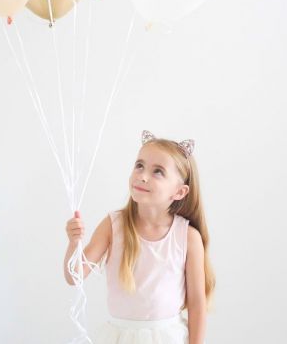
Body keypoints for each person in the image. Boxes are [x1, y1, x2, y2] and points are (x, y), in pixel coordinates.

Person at [64, 130, 215, 344]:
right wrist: (74, 243)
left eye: (158, 172)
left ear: (179, 192)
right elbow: (74, 276)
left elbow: (198, 304)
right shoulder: (113, 225)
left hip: (167, 338)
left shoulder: (187, 237)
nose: (142, 176)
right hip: (119, 337)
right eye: (139, 165)